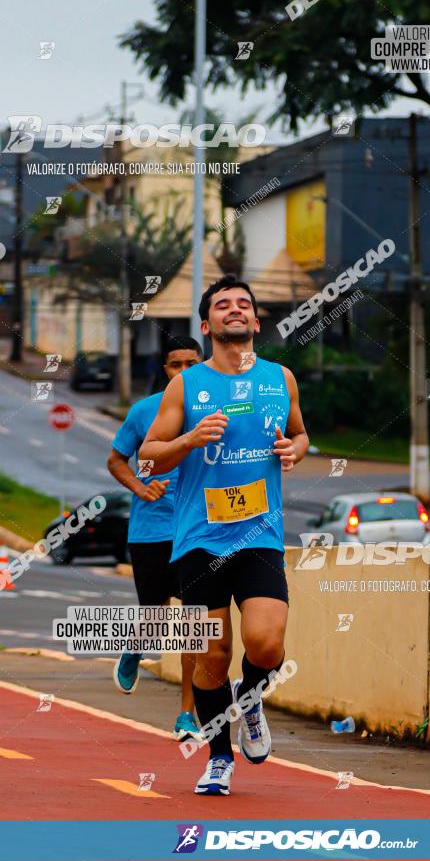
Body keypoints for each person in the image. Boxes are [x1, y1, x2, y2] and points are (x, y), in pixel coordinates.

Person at [140, 276, 309, 795]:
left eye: (243, 305)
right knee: (212, 659)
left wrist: (295, 451)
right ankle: (218, 759)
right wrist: (189, 438)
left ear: (256, 321)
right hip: (200, 540)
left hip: (259, 533)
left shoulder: (281, 378)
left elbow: (301, 433)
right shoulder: (185, 386)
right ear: (207, 324)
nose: (234, 311)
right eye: (222, 305)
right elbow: (148, 457)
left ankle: (251, 698)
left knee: (266, 643)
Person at [106, 335, 202, 740]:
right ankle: (136, 646)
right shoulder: (144, 411)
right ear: (164, 369)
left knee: (197, 625)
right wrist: (140, 488)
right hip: (150, 532)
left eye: (190, 364)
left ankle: (186, 714)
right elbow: (115, 460)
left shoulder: (216, 410)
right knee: (157, 616)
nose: (182, 371)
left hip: (199, 532)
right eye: (174, 365)